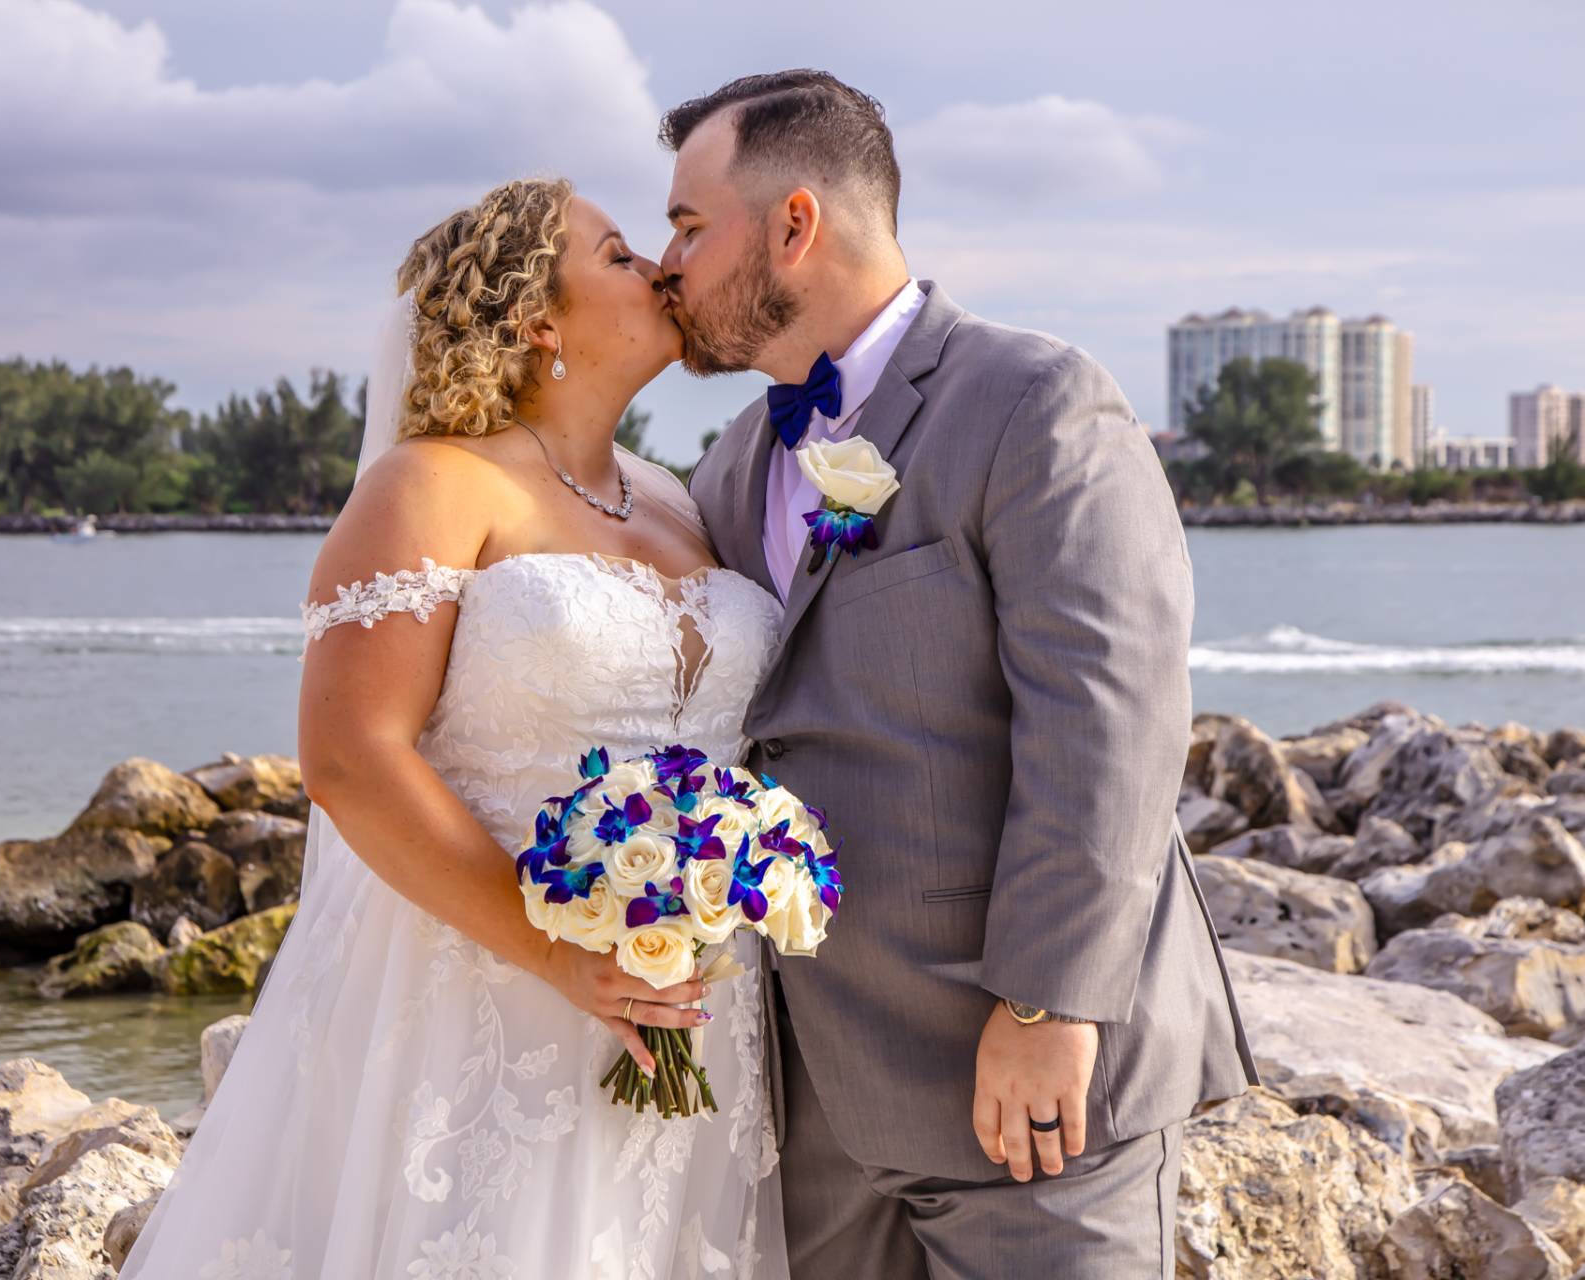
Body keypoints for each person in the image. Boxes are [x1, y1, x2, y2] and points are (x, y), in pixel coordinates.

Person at [118, 180, 791, 1279]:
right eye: (620, 254)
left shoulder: (677, 497)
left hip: (694, 994)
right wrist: (559, 954)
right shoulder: (430, 483)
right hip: (495, 993)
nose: (660, 269)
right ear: (538, 318)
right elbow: (349, 757)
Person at [664, 70, 1259, 1278]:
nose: (668, 263)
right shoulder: (730, 467)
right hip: (815, 1097)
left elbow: (1110, 722)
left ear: (795, 223)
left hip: (1032, 1085)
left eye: (688, 226)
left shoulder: (1034, 400)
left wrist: (1048, 1007)